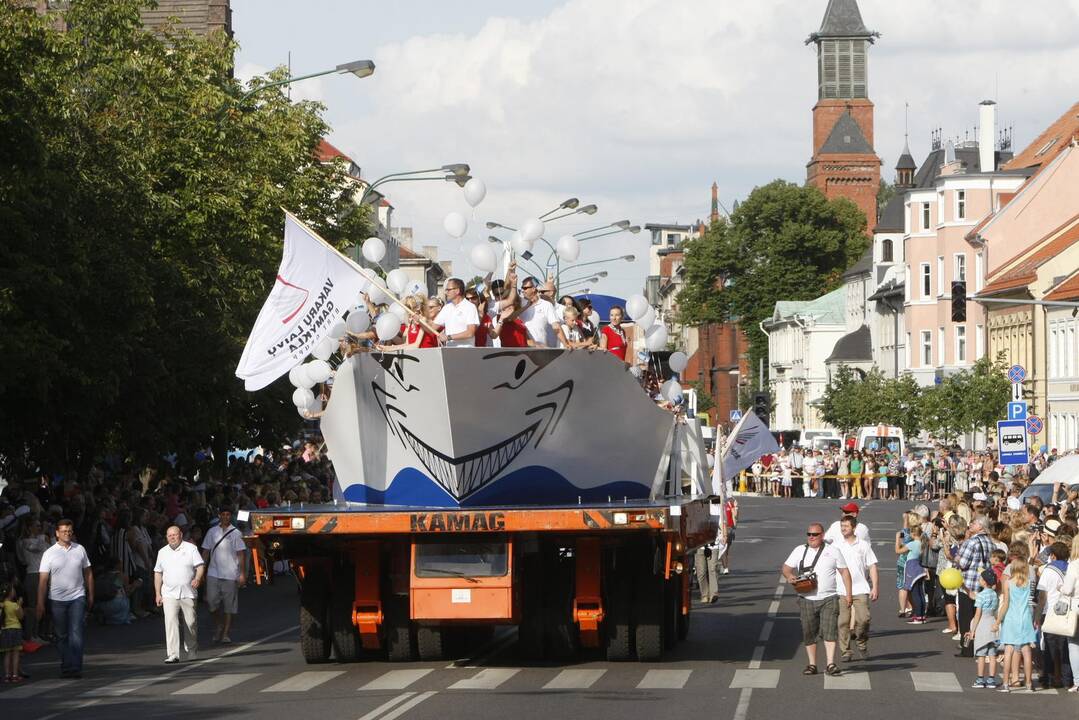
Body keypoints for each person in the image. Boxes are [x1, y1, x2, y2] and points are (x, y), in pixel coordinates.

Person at [782, 522, 852, 677]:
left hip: (829, 597)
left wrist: (848, 595)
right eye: (809, 534)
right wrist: (790, 576)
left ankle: (830, 663)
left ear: (822, 535)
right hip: (806, 598)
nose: (811, 537)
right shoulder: (799, 550)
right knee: (809, 632)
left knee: (829, 630)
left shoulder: (833, 551)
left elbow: (845, 573)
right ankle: (812, 664)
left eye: (815, 534)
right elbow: (786, 568)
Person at [37, 518, 93, 678]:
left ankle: (75, 667)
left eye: (69, 531)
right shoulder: (49, 553)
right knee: (61, 635)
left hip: (77, 596)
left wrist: (91, 594)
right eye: (63, 531)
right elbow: (43, 580)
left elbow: (88, 573)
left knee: (76, 632)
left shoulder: (79, 549)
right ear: (57, 533)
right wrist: (40, 603)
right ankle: (67, 664)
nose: (67, 534)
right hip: (57, 600)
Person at [155, 525, 205, 663]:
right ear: (166, 537)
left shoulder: (191, 548)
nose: (172, 537)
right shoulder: (162, 552)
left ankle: (192, 650)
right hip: (169, 593)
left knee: (190, 622)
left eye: (174, 534)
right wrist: (158, 593)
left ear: (180, 535)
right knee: (170, 622)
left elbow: (200, 566)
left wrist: (197, 578)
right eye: (169, 535)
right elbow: (158, 573)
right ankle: (173, 654)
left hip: (188, 592)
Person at [834, 515, 878, 661]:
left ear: (853, 527)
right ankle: (845, 651)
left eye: (846, 526)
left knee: (864, 619)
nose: (843, 529)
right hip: (841, 589)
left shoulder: (863, 545)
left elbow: (872, 566)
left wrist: (875, 587)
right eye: (842, 526)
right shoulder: (837, 545)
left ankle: (861, 642)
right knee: (843, 622)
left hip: (860, 588)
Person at [952, 515, 995, 658]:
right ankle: (981, 646)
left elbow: (963, 563)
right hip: (984, 585)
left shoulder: (971, 542)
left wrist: (957, 558)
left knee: (966, 618)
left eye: (974, 523)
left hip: (968, 585)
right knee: (981, 617)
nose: (970, 524)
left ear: (981, 526)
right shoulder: (991, 543)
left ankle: (967, 648)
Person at [201, 508, 246, 644]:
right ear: (219, 516)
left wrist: (242, 574)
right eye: (223, 514)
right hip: (213, 572)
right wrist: (201, 571)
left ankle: (225, 633)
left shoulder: (236, 533)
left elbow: (241, 554)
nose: (226, 517)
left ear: (230, 516)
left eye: (228, 514)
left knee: (228, 606)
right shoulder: (212, 531)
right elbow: (206, 552)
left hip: (230, 573)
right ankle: (219, 624)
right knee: (211, 602)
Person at [994, 554, 1037, 692]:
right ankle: (1029, 684)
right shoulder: (1028, 582)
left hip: (1011, 618)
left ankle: (1006, 683)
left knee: (1008, 651)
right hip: (1025, 618)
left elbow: (1006, 603)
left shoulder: (1008, 583)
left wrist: (998, 620)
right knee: (1027, 652)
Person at [1035, 540, 1073, 689]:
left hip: (1050, 611)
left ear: (1053, 555)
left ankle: (1050, 676)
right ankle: (1066, 677)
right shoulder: (1071, 568)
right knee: (1065, 646)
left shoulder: (1049, 570)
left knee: (1050, 647)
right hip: (1067, 612)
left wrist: (1037, 614)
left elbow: (1042, 596)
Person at [967, 569, 1001, 689]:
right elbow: (996, 610)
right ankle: (991, 679)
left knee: (981, 655)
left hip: (982, 625)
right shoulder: (995, 594)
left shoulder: (981, 596)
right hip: (992, 623)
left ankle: (980, 679)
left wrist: (973, 630)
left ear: (984, 582)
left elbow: (977, 614)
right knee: (992, 655)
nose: (979, 580)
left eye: (981, 579)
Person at [518, 277, 566, 348]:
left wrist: (566, 344)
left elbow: (556, 326)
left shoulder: (546, 305)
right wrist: (511, 271)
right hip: (524, 350)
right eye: (522, 288)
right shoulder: (520, 304)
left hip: (541, 350)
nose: (523, 291)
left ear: (534, 288)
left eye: (525, 288)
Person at [1059, 533, 1079, 693]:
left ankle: (1078, 681)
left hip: (1076, 608)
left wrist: (1060, 588)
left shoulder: (1074, 564)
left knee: (1074, 645)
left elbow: (1067, 589)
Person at [434, 278, 479, 347]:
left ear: (457, 291)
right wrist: (420, 320)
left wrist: (449, 337)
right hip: (450, 352)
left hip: (466, 352)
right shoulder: (446, 308)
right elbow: (433, 326)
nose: (446, 293)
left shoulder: (470, 307)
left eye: (448, 290)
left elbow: (470, 332)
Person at [1, 582, 24, 684]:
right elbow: (21, 616)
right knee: (15, 653)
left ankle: (6, 675)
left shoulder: (2, 605)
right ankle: (15, 675)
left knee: (7, 653)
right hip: (15, 629)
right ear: (10, 593)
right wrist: (20, 605)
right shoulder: (14, 605)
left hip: (5, 630)